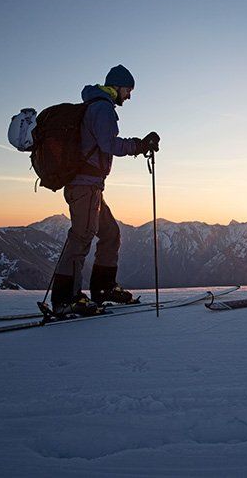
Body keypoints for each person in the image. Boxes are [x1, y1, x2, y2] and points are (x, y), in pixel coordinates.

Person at [51, 64, 160, 316]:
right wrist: (140, 145)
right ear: (118, 87)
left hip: (89, 186)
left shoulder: (96, 106)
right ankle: (66, 299)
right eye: (128, 90)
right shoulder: (102, 108)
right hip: (85, 186)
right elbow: (109, 144)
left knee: (110, 233)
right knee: (81, 238)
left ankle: (103, 289)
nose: (129, 96)